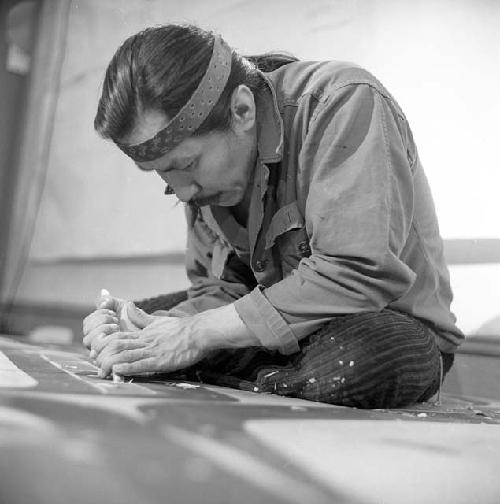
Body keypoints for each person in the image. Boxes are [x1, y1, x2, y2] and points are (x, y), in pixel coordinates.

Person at [82, 24, 464, 408]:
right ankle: (267, 372)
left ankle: (238, 367)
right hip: (273, 318)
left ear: (242, 110)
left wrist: (196, 335)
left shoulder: (341, 102)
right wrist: (147, 330)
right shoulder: (206, 178)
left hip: (379, 323)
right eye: (165, 175)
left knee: (354, 363)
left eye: (188, 164)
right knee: (132, 324)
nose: (183, 193)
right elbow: (220, 291)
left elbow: (357, 272)